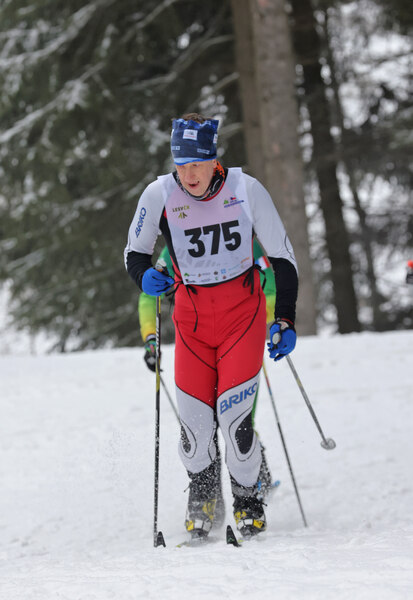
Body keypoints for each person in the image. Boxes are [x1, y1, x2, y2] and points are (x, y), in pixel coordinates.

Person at [124, 113, 298, 540]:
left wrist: (285, 318)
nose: (189, 175)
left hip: (242, 319)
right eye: (181, 165)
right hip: (192, 325)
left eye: (198, 164)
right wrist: (144, 278)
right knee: (194, 430)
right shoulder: (159, 194)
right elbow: (135, 253)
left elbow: (283, 258)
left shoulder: (246, 189)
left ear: (214, 159)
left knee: (235, 420)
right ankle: (203, 498)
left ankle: (248, 501)